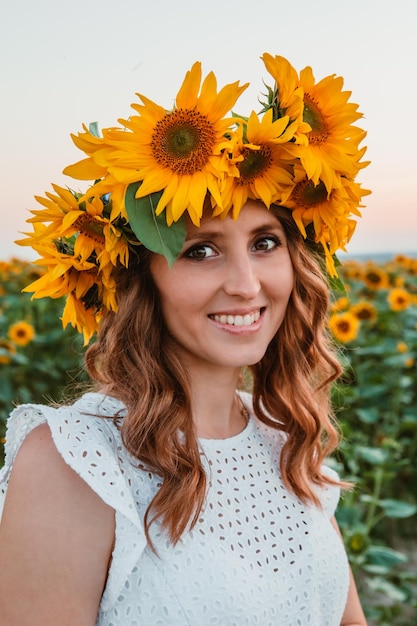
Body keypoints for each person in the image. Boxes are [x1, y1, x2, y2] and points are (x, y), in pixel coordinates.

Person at [0, 53, 369, 625]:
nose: (246, 285)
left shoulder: (289, 444)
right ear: (139, 277)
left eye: (265, 242)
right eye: (201, 250)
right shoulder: (75, 462)